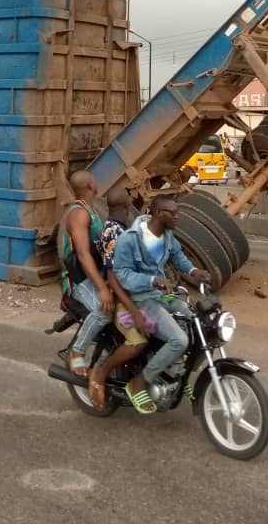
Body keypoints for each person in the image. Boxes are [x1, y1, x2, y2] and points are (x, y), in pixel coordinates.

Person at [113, 195, 210, 414]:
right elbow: (122, 275)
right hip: (141, 299)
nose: (178, 217)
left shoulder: (167, 237)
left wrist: (195, 272)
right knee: (179, 340)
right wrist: (151, 280)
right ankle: (139, 382)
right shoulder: (130, 239)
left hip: (162, 296)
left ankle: (178, 375)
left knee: (201, 327)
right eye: (173, 213)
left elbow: (179, 258)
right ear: (159, 213)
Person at [86, 184, 151, 410]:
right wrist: (133, 310)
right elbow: (114, 278)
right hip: (122, 299)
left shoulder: (121, 229)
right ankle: (100, 373)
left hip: (135, 294)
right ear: (125, 205)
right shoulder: (114, 233)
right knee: (138, 340)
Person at [60, 171, 114, 377]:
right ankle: (77, 351)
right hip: (78, 279)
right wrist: (102, 288)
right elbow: (82, 254)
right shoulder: (78, 214)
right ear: (91, 185)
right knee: (103, 311)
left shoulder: (90, 211)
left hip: (92, 274)